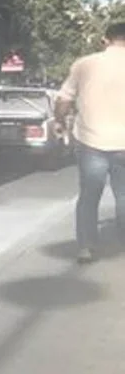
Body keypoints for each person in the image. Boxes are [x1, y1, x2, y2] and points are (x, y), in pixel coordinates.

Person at [55, 20, 125, 263]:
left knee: (88, 196)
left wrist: (59, 121)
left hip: (91, 141)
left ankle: (86, 247)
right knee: (124, 196)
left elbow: (64, 99)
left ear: (105, 40)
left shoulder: (85, 64)